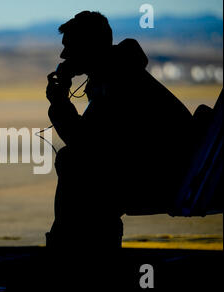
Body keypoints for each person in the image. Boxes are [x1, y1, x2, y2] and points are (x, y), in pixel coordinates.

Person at [45, 11, 192, 250]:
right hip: (165, 170)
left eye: (69, 46)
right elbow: (94, 143)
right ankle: (71, 252)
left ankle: (68, 254)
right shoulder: (119, 73)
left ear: (88, 47)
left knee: (75, 166)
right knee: (74, 165)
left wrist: (59, 102)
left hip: (162, 177)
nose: (63, 55)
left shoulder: (118, 82)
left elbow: (85, 144)